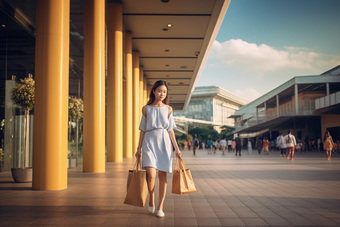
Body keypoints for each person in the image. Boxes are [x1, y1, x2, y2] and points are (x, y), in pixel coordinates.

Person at [136, 80, 181, 218]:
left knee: (162, 176)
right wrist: (138, 148)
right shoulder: (146, 108)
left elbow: (171, 130)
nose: (162, 94)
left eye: (165, 92)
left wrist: (177, 149)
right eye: (160, 91)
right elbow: (142, 130)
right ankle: (151, 196)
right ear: (154, 91)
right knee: (150, 176)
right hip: (149, 142)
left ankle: (160, 206)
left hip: (164, 143)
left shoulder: (168, 109)